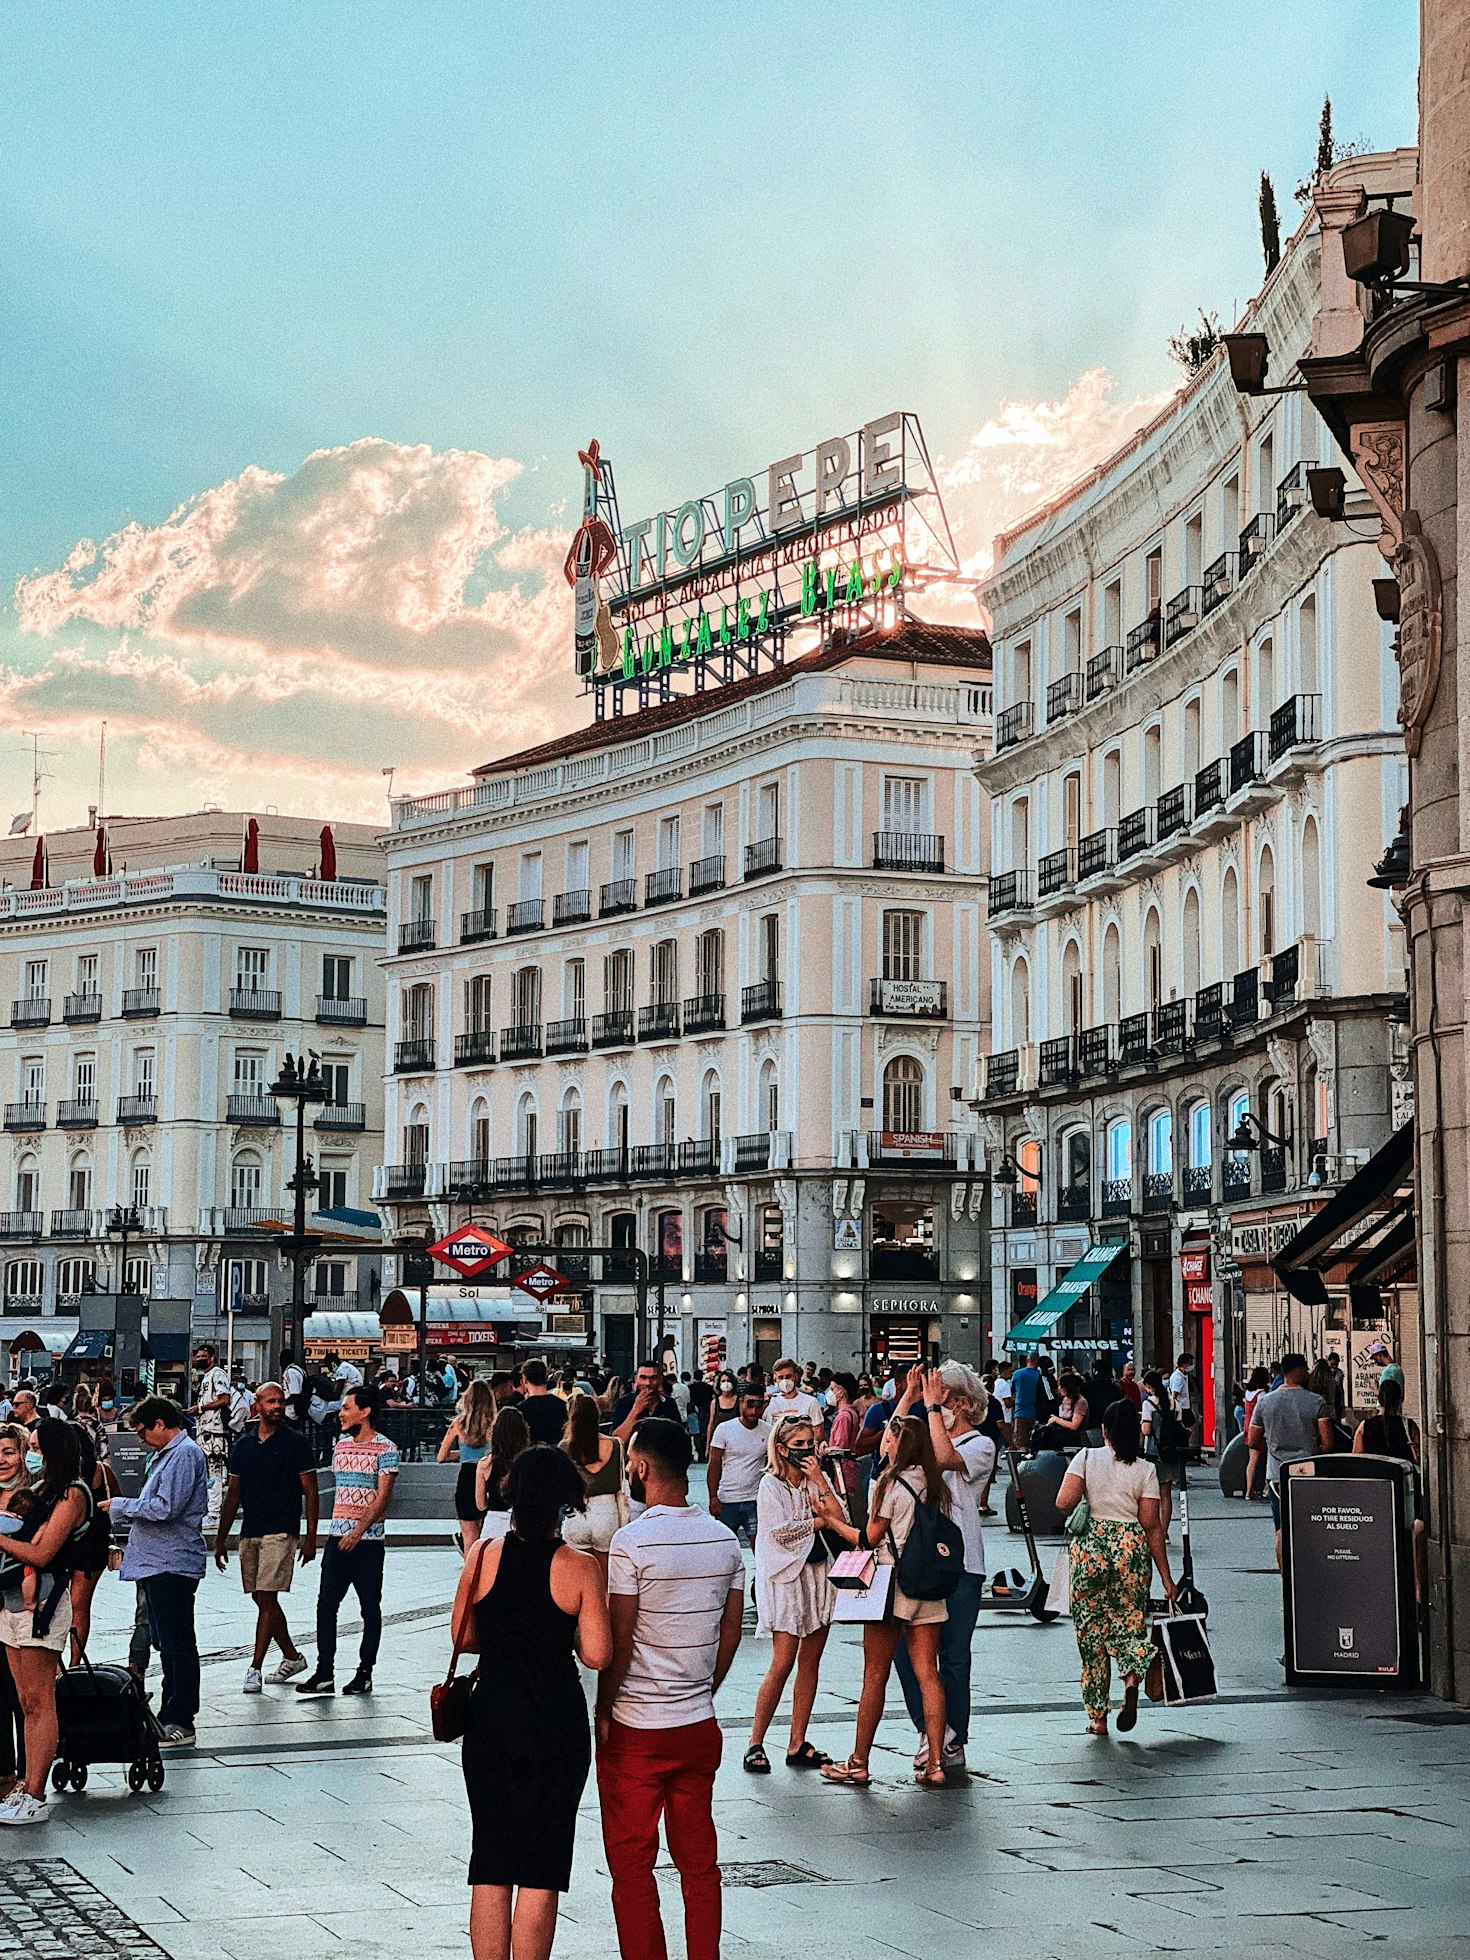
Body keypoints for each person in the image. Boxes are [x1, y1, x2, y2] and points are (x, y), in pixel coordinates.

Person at [595, 1419, 744, 1960]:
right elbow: (731, 1631)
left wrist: (604, 1708)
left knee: (632, 1865)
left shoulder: (631, 1543)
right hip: (697, 1723)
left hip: (637, 1726)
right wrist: (705, 1687)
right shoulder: (724, 1541)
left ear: (640, 1466)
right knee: (700, 1863)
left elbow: (619, 1636)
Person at [455, 1447, 611, 1960]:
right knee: (542, 1863)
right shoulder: (579, 1566)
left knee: (492, 1858)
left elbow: (464, 1636)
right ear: (565, 1503)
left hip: (490, 1716)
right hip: (554, 1721)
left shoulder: (482, 1555)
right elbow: (597, 1653)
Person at [821, 1412, 950, 1790]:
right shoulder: (934, 1482)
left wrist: (831, 1521)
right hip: (927, 1582)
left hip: (892, 1583)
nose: (885, 1446)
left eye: (889, 1441)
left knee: (874, 1676)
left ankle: (858, 1762)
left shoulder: (891, 1484)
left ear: (899, 1444)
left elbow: (868, 1538)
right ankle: (936, 1762)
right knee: (929, 1672)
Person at [894, 1363, 995, 1777]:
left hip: (961, 1563)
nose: (940, 1406)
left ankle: (952, 1737)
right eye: (938, 1398)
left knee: (953, 1654)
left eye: (949, 1399)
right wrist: (909, 1397)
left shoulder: (981, 1444)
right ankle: (928, 1729)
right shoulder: (928, 1425)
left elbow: (944, 1457)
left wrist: (932, 1411)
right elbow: (893, 1444)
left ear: (967, 1404)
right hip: (916, 1558)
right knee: (906, 1654)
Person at [1057, 1399, 1176, 1736]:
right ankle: (1131, 1681)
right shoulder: (1145, 1469)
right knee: (1129, 1623)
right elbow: (1152, 1525)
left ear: (1105, 1430)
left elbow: (1063, 1503)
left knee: (1091, 1634)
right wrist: (1167, 1579)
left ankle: (1098, 1717)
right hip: (1130, 1551)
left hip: (1091, 1551)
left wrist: (1086, 1496)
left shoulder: (1086, 1458)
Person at [743, 1414, 845, 1776]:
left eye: (809, 1443)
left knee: (811, 1661)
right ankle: (755, 1741)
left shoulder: (817, 1480)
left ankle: (797, 1741)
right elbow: (778, 1533)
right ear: (782, 1447)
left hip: (818, 1573)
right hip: (787, 1577)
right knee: (782, 1660)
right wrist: (819, 1521)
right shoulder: (770, 1485)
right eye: (798, 1445)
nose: (805, 1452)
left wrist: (820, 1481)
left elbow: (842, 1517)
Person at [103, 1396, 207, 1748]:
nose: (141, 1439)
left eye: (143, 1431)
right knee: (165, 1641)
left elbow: (166, 1508)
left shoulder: (184, 1454)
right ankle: (168, 1713)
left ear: (161, 1424)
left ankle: (181, 1716)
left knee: (177, 1642)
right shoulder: (167, 1454)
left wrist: (120, 1506)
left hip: (172, 1562)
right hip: (156, 1560)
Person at [0, 1420, 91, 1824]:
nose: (29, 1453)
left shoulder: (72, 1493)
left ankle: (35, 1791)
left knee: (38, 1702)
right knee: (24, 1700)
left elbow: (41, 1552)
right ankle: (25, 1785)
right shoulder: (39, 1491)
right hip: (12, 1602)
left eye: (35, 1446)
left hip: (45, 1606)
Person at [213, 1381, 318, 1691]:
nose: (277, 1406)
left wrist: (310, 1536)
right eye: (271, 1401)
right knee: (261, 1599)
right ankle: (292, 1656)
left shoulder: (295, 1442)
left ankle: (254, 1667)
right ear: (256, 1407)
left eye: (280, 1400)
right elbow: (233, 1493)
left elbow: (310, 1491)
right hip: (251, 1530)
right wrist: (221, 1539)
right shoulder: (244, 1445)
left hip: (282, 1529)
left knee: (268, 1598)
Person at [296, 1382, 400, 1696]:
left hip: (367, 1543)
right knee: (326, 1605)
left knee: (370, 1608)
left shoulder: (386, 1449)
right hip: (337, 1538)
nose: (340, 1413)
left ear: (365, 1412)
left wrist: (358, 1532)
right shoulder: (340, 1446)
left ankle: (364, 1672)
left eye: (346, 1407)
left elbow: (382, 1499)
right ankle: (324, 1671)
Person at [1247, 1353, 1335, 1570]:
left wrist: (1274, 1446)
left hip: (1277, 1475)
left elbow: (1253, 1440)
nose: (1308, 1373)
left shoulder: (1265, 1402)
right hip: (1309, 1473)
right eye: (1305, 1369)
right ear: (1298, 1371)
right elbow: (1328, 1443)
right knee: (1310, 1526)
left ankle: (1286, 1579)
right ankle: (1307, 1574)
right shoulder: (1316, 1402)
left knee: (1281, 1530)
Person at [1354, 1373, 1426, 1596]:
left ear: (1380, 1399)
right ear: (1400, 1400)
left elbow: (1357, 1459)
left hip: (1376, 1492)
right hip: (1407, 1491)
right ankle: (1417, 1592)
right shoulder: (1408, 1425)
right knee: (1413, 1538)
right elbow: (1419, 1458)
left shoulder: (1365, 1427)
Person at [560, 1392, 627, 1572]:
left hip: (577, 1512)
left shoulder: (565, 1447)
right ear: (597, 1416)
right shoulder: (616, 1444)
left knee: (579, 1575)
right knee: (605, 1577)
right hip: (607, 1511)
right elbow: (621, 1482)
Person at [705, 1387, 769, 1548]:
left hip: (755, 1500)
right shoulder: (725, 1429)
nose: (754, 1409)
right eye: (750, 1404)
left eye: (759, 1405)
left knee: (760, 1546)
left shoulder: (769, 1431)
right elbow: (714, 1465)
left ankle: (760, 1574)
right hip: (727, 1500)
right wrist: (713, 1497)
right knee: (723, 1548)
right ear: (741, 1403)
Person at [439, 1380, 496, 1555]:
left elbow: (442, 1456)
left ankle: (470, 1576)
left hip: (467, 1476)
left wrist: (463, 1454)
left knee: (470, 1535)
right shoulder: (495, 1422)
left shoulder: (458, 1424)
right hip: (490, 1475)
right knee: (490, 1536)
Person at [192, 1342, 233, 1526]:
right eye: (198, 1357)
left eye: (203, 1357)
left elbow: (224, 1398)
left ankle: (214, 1513)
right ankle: (212, 1510)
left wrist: (201, 1407)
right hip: (206, 1430)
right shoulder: (208, 1376)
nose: (199, 1359)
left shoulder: (217, 1374)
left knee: (214, 1471)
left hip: (214, 1430)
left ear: (212, 1357)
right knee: (211, 1472)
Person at [1140, 1368, 1185, 1535]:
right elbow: (1180, 1425)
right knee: (1166, 1494)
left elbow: (1146, 1430)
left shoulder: (1148, 1404)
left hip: (1153, 1451)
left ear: (1147, 1386)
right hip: (1170, 1451)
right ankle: (1164, 1531)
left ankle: (1154, 1529)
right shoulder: (1175, 1403)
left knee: (1152, 1493)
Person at [477, 1407, 531, 1542]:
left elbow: (481, 1504)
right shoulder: (528, 1461)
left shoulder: (485, 1464)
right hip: (521, 1521)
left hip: (494, 1522)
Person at [609, 1362, 682, 1446]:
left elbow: (679, 1438)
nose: (648, 1383)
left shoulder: (669, 1403)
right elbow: (617, 1440)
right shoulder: (625, 1402)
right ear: (636, 1379)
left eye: (653, 1378)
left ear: (660, 1380)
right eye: (643, 1378)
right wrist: (635, 1411)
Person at [518, 1360, 568, 1446]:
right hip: (557, 1456)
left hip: (530, 1456)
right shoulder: (562, 1405)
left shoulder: (520, 1410)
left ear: (524, 1379)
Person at [1039, 1372, 1090, 1452]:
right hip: (1060, 1440)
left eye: (1061, 1386)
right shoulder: (1062, 1400)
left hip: (1075, 1441)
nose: (1059, 1388)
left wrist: (1057, 1420)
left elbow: (1074, 1425)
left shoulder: (1080, 1402)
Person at [1242, 1366, 1271, 1498]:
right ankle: (1266, 1487)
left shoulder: (1248, 1392)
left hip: (1248, 1426)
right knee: (1267, 1458)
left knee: (1252, 1460)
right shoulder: (1262, 1394)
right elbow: (1263, 1412)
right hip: (1260, 1428)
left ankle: (1249, 1489)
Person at [765, 1359, 822, 1425]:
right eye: (780, 1377)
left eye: (788, 1376)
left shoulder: (811, 1402)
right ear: (776, 1379)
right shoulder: (771, 1402)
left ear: (796, 1376)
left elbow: (818, 1431)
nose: (785, 1381)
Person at [1011, 1352, 1043, 1451]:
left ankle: (1020, 1464)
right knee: (1037, 1442)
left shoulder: (1018, 1374)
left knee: (1021, 1444)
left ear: (1027, 1360)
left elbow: (1012, 1390)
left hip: (1021, 1412)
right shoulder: (1040, 1376)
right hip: (1037, 1413)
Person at [704, 1372, 740, 1455]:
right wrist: (708, 1447)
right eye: (723, 1381)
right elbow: (711, 1424)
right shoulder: (715, 1403)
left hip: (735, 1440)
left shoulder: (739, 1401)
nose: (726, 1383)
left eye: (728, 1381)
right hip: (719, 1441)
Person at [686, 1371, 714, 1461]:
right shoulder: (708, 1387)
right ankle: (704, 1454)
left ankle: (699, 1453)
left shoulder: (690, 1388)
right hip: (706, 1411)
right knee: (704, 1433)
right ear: (702, 1377)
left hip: (694, 1412)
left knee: (695, 1434)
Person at [280, 1349, 307, 1427]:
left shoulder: (290, 1372)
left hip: (290, 1413)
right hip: (297, 1410)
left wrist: (282, 1403)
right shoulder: (299, 1370)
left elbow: (295, 1395)